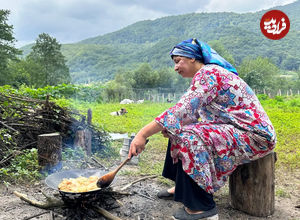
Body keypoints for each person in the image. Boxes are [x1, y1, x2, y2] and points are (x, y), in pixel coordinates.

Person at [128, 38, 276, 220]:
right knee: (179, 129)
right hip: (234, 129)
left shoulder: (210, 73)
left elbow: (182, 110)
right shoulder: (205, 76)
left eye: (177, 61)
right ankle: (183, 188)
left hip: (255, 135)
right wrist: (171, 127)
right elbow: (189, 115)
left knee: (189, 136)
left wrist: (143, 134)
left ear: (192, 58)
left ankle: (202, 209)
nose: (175, 68)